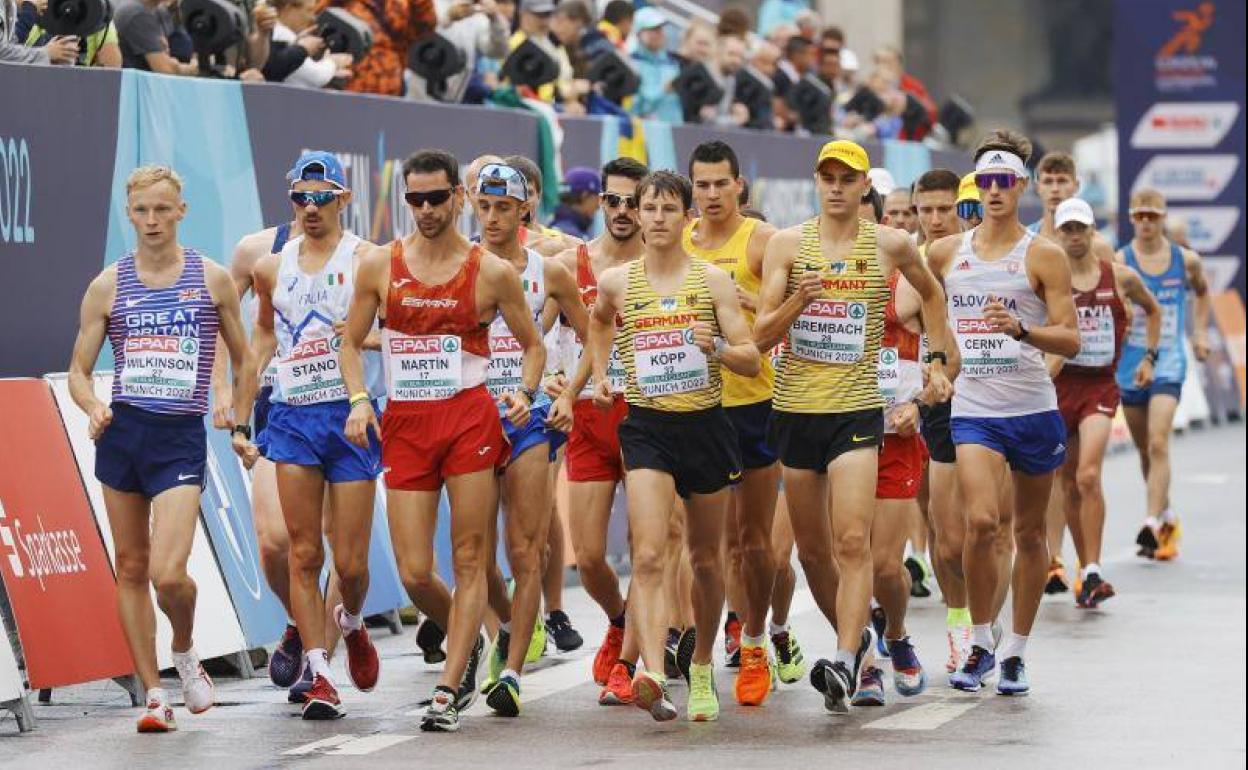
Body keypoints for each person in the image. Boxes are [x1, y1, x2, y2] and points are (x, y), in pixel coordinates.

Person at [340, 149, 545, 732]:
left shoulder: (491, 272)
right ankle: (471, 634)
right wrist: (359, 399)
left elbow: (532, 344)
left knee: (470, 556)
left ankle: (448, 687)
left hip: (468, 421)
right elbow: (350, 343)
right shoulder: (381, 265)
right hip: (405, 422)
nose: (426, 210)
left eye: (437, 198)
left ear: (459, 196)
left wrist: (527, 393)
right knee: (412, 569)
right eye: (415, 199)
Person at [754, 140, 952, 714]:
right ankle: (862, 631)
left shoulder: (889, 244)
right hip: (794, 412)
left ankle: (846, 658)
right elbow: (762, 334)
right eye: (828, 176)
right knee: (813, 555)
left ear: (865, 186)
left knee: (851, 541)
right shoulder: (788, 245)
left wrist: (937, 363)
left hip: (857, 413)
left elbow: (933, 297)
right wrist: (798, 301)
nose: (837, 186)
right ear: (816, 182)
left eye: (848, 177)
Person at [67, 165, 258, 733]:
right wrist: (92, 406)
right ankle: (154, 694)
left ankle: (185, 648)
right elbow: (79, 371)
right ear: (129, 214)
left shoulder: (211, 278)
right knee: (130, 566)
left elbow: (245, 357)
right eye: (142, 211)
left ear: (181, 211)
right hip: (124, 433)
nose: (152, 220)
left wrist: (236, 415)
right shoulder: (108, 284)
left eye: (162, 210)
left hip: (179, 435)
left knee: (169, 573)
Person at [585, 171, 761, 722]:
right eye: (648, 208)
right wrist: (602, 374)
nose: (657, 218)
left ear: (687, 218)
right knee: (650, 553)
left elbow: (751, 357)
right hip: (646, 428)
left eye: (668, 209)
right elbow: (597, 324)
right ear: (636, 215)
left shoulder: (711, 282)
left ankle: (703, 664)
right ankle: (654, 673)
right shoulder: (617, 282)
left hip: (706, 426)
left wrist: (716, 350)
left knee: (707, 560)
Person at [926, 129, 1081, 696]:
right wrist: (938, 360)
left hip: (1033, 409)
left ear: (1020, 187)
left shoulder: (1042, 254)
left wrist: (1022, 329)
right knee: (983, 522)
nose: (993, 191)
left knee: (1031, 533)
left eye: (1003, 181)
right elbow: (917, 306)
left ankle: (1016, 649)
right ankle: (980, 640)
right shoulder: (946, 253)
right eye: (984, 181)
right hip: (975, 411)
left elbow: (1070, 339)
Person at [248, 152, 383, 719]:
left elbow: (398, 334)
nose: (309, 207)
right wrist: (239, 394)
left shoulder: (369, 260)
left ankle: (349, 622)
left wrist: (354, 340)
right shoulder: (270, 267)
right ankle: (319, 672)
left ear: (344, 200)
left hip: (351, 420)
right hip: (293, 415)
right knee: (304, 553)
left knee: (349, 565)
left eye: (321, 196)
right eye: (300, 197)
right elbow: (262, 334)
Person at [468, 162, 587, 717]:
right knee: (478, 556)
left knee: (525, 548)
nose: (491, 219)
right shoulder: (457, 267)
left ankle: (512, 671)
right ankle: (516, 624)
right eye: (484, 207)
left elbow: (596, 339)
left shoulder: (551, 270)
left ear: (525, 211)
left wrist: (569, 396)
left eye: (503, 208)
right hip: (471, 417)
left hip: (529, 417)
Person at [682, 141, 784, 707]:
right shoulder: (677, 242)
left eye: (722, 183)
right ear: (690, 188)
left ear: (740, 186)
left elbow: (794, 309)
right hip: (695, 406)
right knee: (708, 545)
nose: (713, 194)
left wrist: (752, 305)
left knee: (753, 543)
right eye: (703, 184)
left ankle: (754, 638)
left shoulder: (763, 241)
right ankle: (700, 645)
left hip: (752, 402)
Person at [548, 157, 649, 705]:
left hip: (646, 416)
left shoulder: (663, 266)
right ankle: (621, 619)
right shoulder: (571, 262)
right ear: (600, 204)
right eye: (613, 201)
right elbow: (532, 332)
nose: (623, 211)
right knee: (588, 556)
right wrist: (542, 381)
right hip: (587, 417)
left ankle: (631, 660)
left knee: (645, 549)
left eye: (635, 202)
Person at [1049, 198, 1160, 608]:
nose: (1075, 237)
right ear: (1058, 234)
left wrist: (1149, 358)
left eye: (1081, 229)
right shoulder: (1048, 279)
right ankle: (1081, 566)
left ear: (1092, 231)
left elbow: (1153, 310)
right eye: (1068, 230)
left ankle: (1093, 567)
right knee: (1066, 482)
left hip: (1099, 386)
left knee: (1089, 475)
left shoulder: (1119, 277)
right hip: (1061, 386)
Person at [1116, 188, 1211, 561]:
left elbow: (1203, 293)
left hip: (1169, 359)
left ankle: (1152, 521)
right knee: (1144, 449)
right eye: (1139, 216)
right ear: (1131, 218)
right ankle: (1167, 513)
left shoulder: (1185, 260)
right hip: (1129, 363)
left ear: (1162, 218)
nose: (1145, 223)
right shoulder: (1121, 260)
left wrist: (1200, 332)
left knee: (1158, 442)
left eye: (1152, 216)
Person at [911, 168, 974, 672]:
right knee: (945, 534)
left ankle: (986, 614)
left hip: (991, 401)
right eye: (925, 210)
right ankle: (961, 623)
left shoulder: (979, 256)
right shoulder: (906, 258)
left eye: (943, 209)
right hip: (934, 405)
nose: (934, 220)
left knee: (990, 525)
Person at [319, 0, 437, 96]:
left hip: (391, 85)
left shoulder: (401, 3)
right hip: (350, 83)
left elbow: (425, 29)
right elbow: (318, 17)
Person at [629, 7, 682, 124]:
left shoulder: (673, 64)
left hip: (675, 132)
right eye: (652, 29)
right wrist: (665, 90)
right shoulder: (631, 64)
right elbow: (636, 106)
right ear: (638, 33)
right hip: (644, 133)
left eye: (660, 29)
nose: (658, 33)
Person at [550, 166, 601, 242]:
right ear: (584, 195)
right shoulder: (574, 238)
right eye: (597, 199)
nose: (598, 206)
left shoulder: (550, 227)